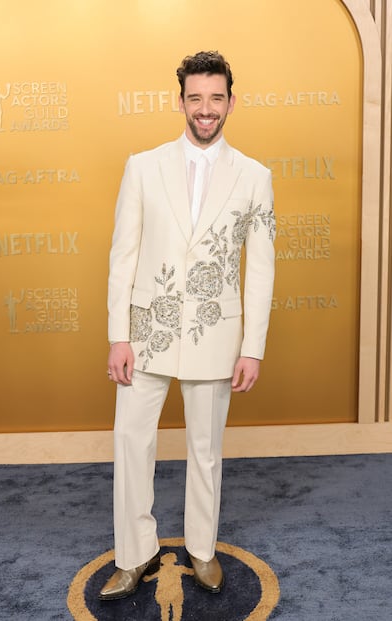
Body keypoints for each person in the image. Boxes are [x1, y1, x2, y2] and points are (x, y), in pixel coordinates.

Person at [100, 50, 275, 601]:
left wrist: (253, 347)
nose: (206, 109)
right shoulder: (142, 166)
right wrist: (118, 335)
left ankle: (202, 549)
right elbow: (121, 256)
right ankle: (134, 553)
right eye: (195, 98)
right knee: (131, 442)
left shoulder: (255, 177)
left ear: (230, 101)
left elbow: (262, 269)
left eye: (216, 98)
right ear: (181, 101)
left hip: (215, 336)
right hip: (146, 331)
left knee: (205, 448)